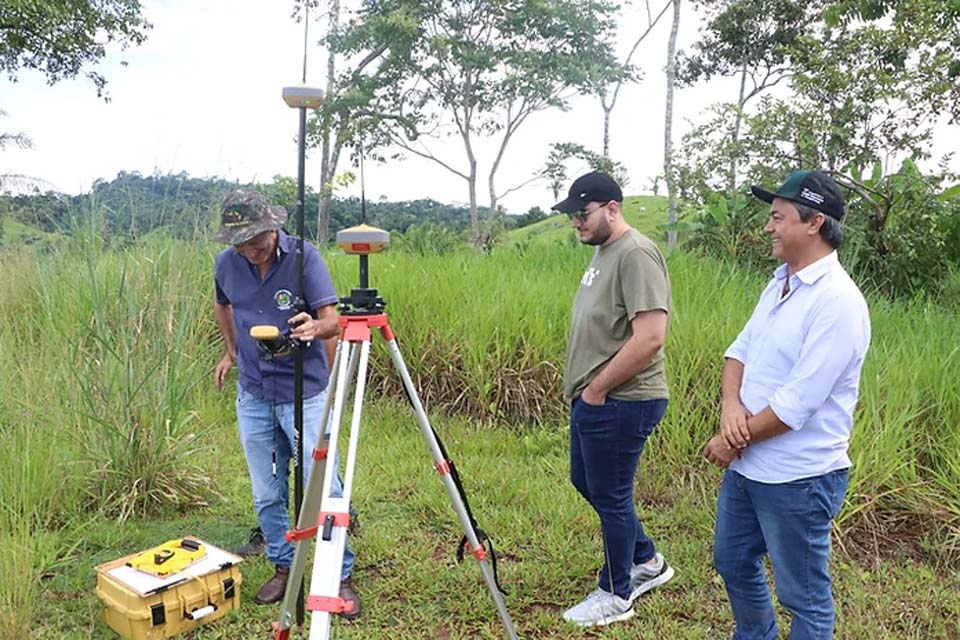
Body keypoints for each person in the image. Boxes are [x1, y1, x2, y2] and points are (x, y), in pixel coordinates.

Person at [703, 170, 870, 639]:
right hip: (749, 466)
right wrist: (731, 409)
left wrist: (731, 438)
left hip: (799, 477)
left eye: (777, 217)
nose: (768, 227)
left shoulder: (837, 302)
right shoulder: (780, 283)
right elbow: (738, 351)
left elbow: (798, 403)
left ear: (814, 222)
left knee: (804, 598)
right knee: (732, 559)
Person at [212, 189, 360, 616]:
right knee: (266, 490)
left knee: (324, 485)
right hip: (255, 391)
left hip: (305, 388)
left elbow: (334, 321)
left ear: (273, 229)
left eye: (258, 242)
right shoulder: (226, 263)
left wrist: (315, 326)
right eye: (241, 245)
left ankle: (340, 574)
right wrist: (231, 350)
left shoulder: (303, 258)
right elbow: (223, 305)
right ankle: (283, 564)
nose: (252, 252)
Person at [553, 171, 676, 627]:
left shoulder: (636, 253)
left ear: (612, 208)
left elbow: (650, 338)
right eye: (572, 216)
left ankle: (616, 591)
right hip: (598, 399)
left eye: (581, 214)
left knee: (612, 494)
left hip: (623, 399)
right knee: (587, 482)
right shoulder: (605, 252)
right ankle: (645, 560)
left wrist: (598, 389)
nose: (575, 224)